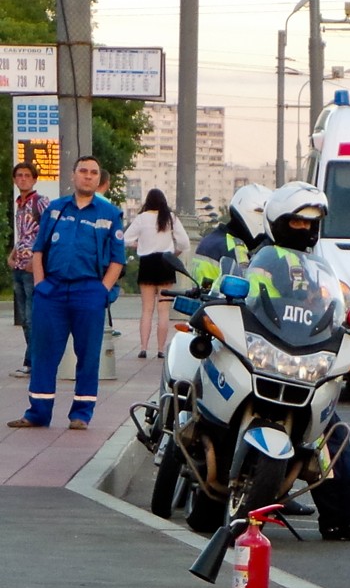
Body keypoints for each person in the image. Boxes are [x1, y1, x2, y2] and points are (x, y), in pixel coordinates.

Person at [252, 181, 350, 541]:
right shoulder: (258, 259)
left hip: (300, 354)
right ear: (278, 220)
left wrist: (348, 323)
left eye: (310, 223)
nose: (305, 229)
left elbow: (335, 304)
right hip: (259, 354)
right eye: (297, 222)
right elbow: (245, 299)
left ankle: (345, 517)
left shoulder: (320, 263)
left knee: (329, 430)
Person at [8, 156, 125, 431]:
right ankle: (38, 412)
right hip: (53, 291)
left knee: (88, 355)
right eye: (83, 171)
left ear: (99, 179)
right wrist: (40, 286)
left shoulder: (110, 214)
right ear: (73, 175)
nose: (88, 176)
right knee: (43, 353)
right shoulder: (56, 209)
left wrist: (101, 291)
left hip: (89, 292)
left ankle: (81, 414)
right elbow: (39, 250)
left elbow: (118, 261)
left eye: (93, 172)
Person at [122, 188, 191, 358]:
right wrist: (175, 253)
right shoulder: (170, 218)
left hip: (147, 263)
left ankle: (144, 348)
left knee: (146, 310)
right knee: (163, 310)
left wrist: (139, 245)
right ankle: (160, 350)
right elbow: (184, 242)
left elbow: (124, 239)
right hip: (166, 263)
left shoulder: (141, 218)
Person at [9, 162, 46, 378]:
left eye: (26, 175)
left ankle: (33, 362)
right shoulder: (20, 204)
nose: (23, 179)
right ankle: (32, 359)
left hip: (33, 267)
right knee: (24, 317)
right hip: (19, 266)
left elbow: (47, 231)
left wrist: (38, 259)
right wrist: (12, 254)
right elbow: (24, 235)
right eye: (19, 175)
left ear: (34, 179)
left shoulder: (39, 203)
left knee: (33, 317)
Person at [192, 183, 268, 287]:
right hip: (225, 301)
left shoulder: (212, 240)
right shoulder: (232, 247)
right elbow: (250, 292)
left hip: (207, 299)